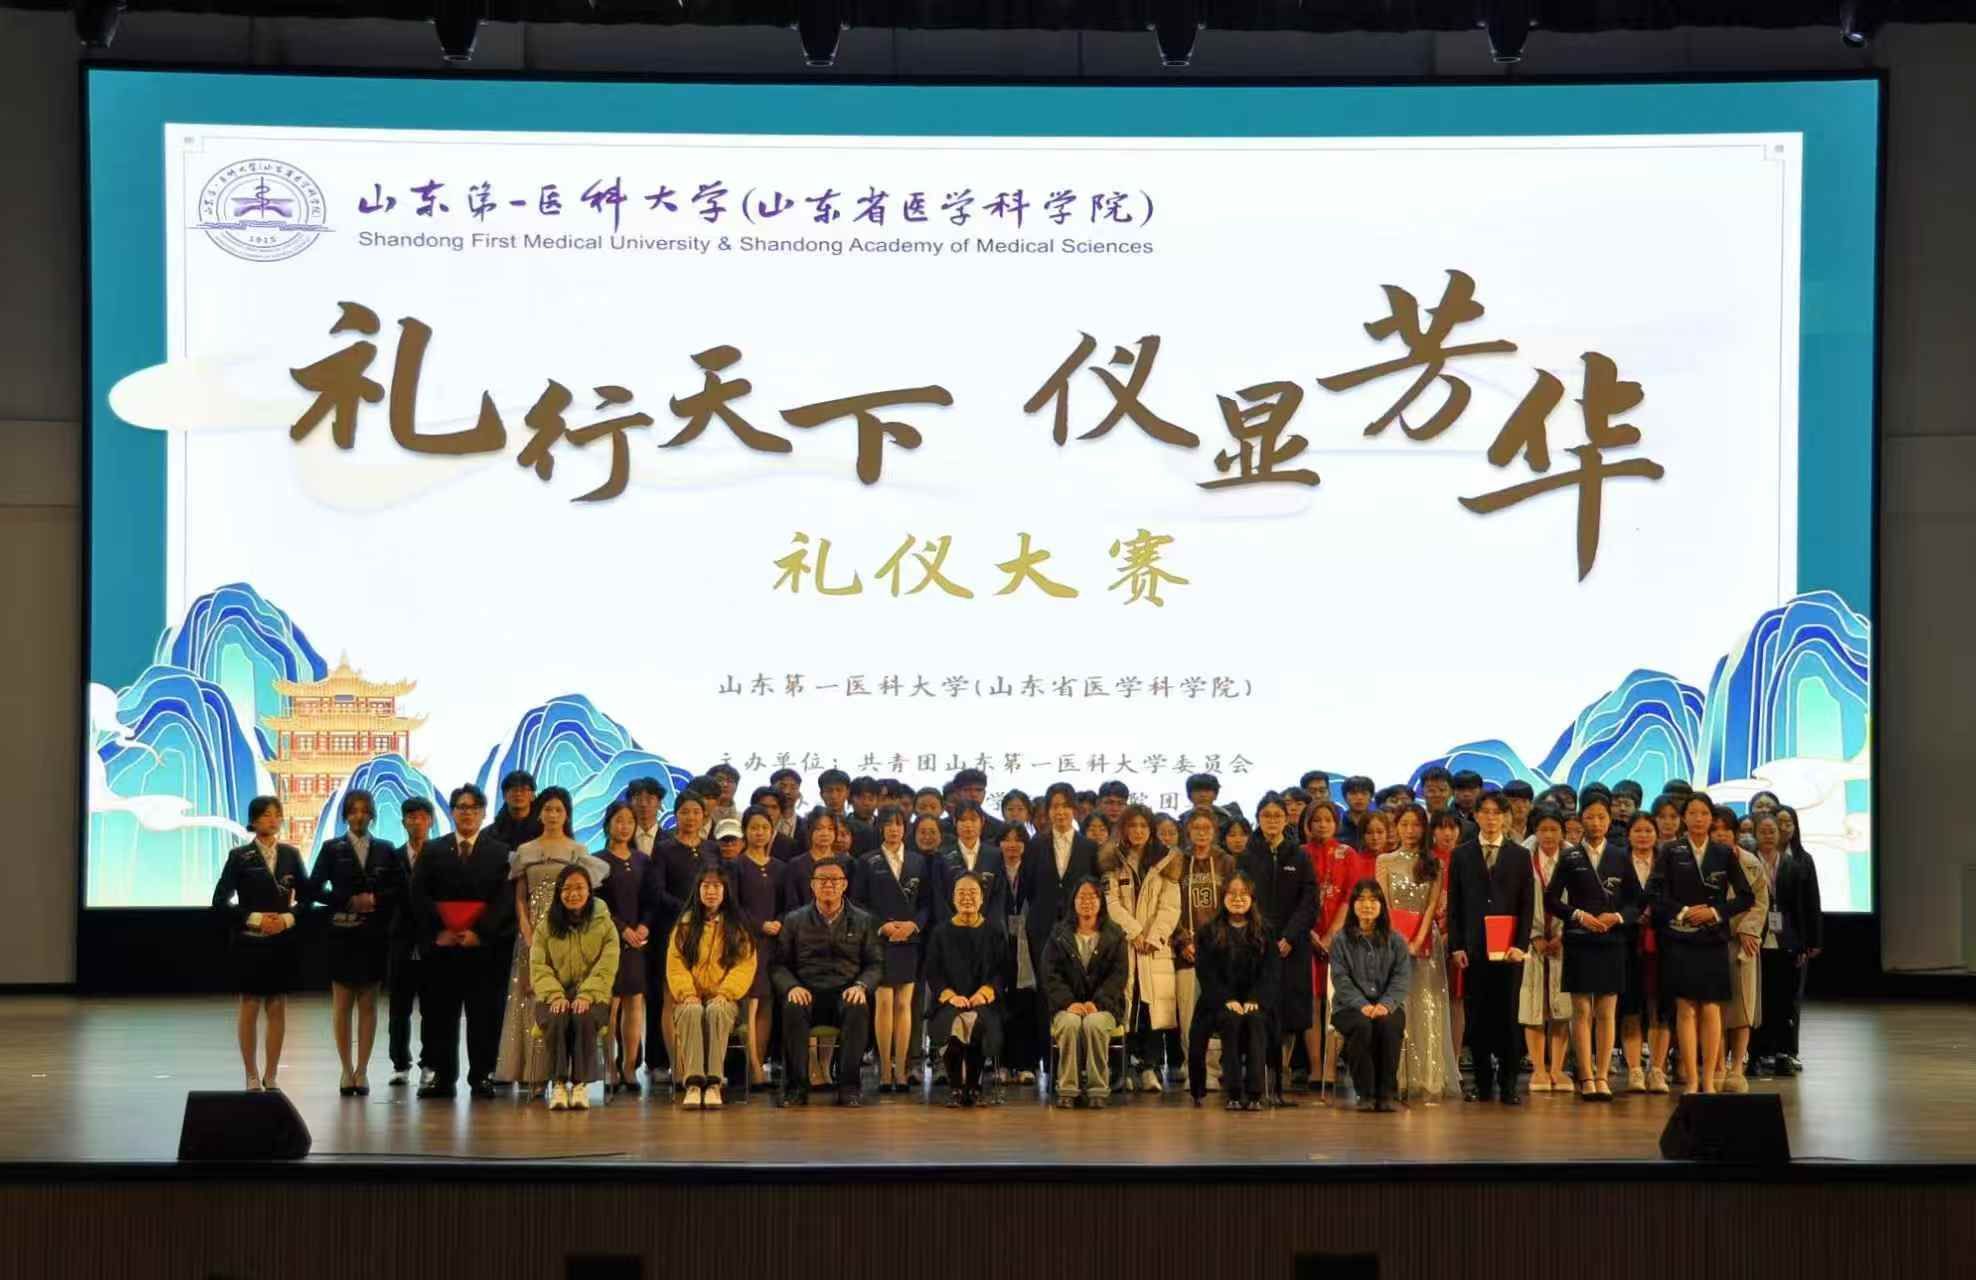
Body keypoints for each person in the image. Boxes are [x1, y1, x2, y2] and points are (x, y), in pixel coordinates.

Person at [495, 786, 608, 1092]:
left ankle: (564, 1075)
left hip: (566, 936)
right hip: (531, 935)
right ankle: (533, 1075)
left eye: (559, 810)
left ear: (567, 814)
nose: (553, 815)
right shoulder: (525, 851)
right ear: (539, 813)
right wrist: (528, 933)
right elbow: (520, 898)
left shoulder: (578, 851)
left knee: (562, 1001)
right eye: (547, 809)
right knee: (529, 1000)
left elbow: (585, 899)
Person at [408, 784, 514, 1098]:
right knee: (441, 1015)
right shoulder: (433, 849)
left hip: (484, 948)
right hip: (443, 948)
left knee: (485, 1015)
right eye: (461, 807)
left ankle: (482, 1075)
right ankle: (442, 1077)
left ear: (483, 813)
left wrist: (480, 932)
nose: (467, 813)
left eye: (474, 808)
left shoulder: (500, 852)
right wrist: (440, 930)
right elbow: (418, 894)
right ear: (452, 812)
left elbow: (505, 899)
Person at [1647, 792, 1755, 1095]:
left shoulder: (1723, 852)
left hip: (1712, 939)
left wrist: (1715, 912)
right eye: (1692, 813)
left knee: (1710, 1008)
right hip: (1680, 939)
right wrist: (1683, 912)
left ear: (1711, 818)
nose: (1698, 819)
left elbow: (1746, 897)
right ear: (1684, 818)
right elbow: (1654, 894)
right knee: (1685, 1009)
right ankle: (1692, 1079)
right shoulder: (1671, 851)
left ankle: (1709, 1079)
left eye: (1704, 813)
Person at [309, 788, 405, 1097]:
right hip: (341, 935)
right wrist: (347, 900)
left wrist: (375, 900)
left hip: (374, 936)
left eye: (364, 810)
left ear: (372, 815)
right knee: (341, 1005)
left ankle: (362, 1070)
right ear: (346, 815)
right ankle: (345, 1069)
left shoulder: (386, 849)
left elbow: (401, 890)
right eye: (353, 811)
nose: (359, 816)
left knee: (368, 1004)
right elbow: (313, 889)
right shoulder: (331, 848)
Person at [212, 795, 307, 1092]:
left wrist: (287, 919)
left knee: (277, 1006)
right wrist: (255, 919)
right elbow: (220, 902)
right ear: (253, 821)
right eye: (266, 815)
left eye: (277, 814)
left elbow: (307, 899)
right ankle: (251, 1074)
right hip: (249, 943)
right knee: (250, 1005)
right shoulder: (239, 856)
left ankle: (272, 1074)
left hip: (281, 942)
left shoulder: (291, 855)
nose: (273, 819)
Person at [772, 857, 883, 1106]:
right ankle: (796, 1088)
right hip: (807, 991)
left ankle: (849, 1088)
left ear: (844, 885)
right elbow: (779, 965)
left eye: (835, 880)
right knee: (792, 1006)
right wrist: (792, 986)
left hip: (845, 991)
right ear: (812, 885)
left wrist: (861, 986)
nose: (829, 885)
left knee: (858, 1006)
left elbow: (875, 964)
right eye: (822, 880)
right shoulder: (794, 920)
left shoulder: (863, 920)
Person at [1546, 796, 1636, 1102]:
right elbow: (1551, 899)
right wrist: (1577, 915)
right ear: (1580, 820)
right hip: (1579, 939)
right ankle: (1585, 1075)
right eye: (1590, 817)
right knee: (1582, 1010)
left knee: (1607, 1011)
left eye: (1601, 817)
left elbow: (1637, 901)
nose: (1596, 823)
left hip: (1612, 940)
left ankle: (1603, 1075)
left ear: (1609, 820)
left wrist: (1617, 917)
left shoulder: (1621, 855)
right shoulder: (1570, 856)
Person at [1446, 792, 1533, 1104]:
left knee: (1509, 1017)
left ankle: (1508, 1085)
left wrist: (1520, 945)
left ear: (1506, 817)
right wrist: (1456, 946)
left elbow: (1527, 905)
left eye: (1497, 812)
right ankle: (1483, 1084)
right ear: (1476, 816)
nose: (1491, 818)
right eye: (1485, 812)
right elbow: (1454, 903)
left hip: (1508, 950)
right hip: (1473, 948)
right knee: (1477, 1017)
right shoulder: (1462, 854)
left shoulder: (1520, 855)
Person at [1377, 805, 1458, 1104]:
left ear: (1425, 829)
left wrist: (1419, 939)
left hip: (1426, 942)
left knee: (1426, 1004)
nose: (1410, 831)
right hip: (1392, 939)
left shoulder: (1434, 863)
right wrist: (1398, 941)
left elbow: (1431, 907)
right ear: (1396, 827)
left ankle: (1427, 1077)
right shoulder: (1384, 861)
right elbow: (1384, 904)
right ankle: (1397, 1077)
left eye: (1416, 825)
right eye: (1404, 824)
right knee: (1398, 1004)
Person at [1241, 793, 1316, 1105]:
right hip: (1256, 947)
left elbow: (1309, 902)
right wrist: (1258, 936)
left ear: (1287, 819)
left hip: (1291, 948)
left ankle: (1280, 1082)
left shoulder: (1299, 855)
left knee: (1289, 1016)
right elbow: (1242, 900)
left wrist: (1289, 937)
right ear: (1258, 818)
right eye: (1266, 815)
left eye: (1277, 815)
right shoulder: (1247, 856)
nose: (1272, 820)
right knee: (1258, 1014)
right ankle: (1258, 1083)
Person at [1099, 804, 1181, 1092]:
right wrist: (1133, 932)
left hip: (1154, 948)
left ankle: (1150, 1067)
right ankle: (1122, 1069)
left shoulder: (1167, 860)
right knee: (1124, 1007)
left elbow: (1170, 906)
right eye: (1132, 826)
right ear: (1123, 829)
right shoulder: (1112, 859)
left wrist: (1153, 937)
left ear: (1151, 830)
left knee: (1152, 1009)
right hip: (1123, 945)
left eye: (1143, 826)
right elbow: (1111, 903)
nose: (1137, 831)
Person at [528, 864, 620, 1110]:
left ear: (590, 890)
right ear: (559, 892)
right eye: (567, 888)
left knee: (583, 1016)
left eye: (579, 887)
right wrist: (555, 995)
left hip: (594, 996)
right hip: (552, 997)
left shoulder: (605, 924)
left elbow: (607, 966)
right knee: (557, 1016)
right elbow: (538, 966)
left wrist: (587, 995)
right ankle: (558, 1084)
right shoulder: (545, 925)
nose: (573, 894)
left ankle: (580, 1085)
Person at [666, 865, 757, 1110]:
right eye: (706, 886)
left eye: (717, 886)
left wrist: (725, 993)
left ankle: (714, 1084)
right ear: (698, 890)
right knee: (692, 1011)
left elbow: (744, 966)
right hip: (690, 998)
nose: (711, 891)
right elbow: (675, 966)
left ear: (725, 891)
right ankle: (694, 1085)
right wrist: (687, 994)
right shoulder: (684, 925)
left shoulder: (738, 927)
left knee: (716, 1010)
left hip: (726, 999)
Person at [853, 806, 931, 1094]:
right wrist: (882, 926)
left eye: (898, 824)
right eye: (888, 824)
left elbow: (927, 903)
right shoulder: (867, 860)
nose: (894, 829)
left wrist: (913, 925)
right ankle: (885, 1070)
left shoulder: (918, 861)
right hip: (880, 938)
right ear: (881, 828)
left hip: (909, 940)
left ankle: (902, 1070)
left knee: (904, 1004)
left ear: (905, 828)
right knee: (884, 1003)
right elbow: (858, 901)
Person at [1189, 871, 1277, 1110]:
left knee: (1256, 1019)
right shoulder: (1208, 931)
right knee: (1230, 1019)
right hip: (1217, 999)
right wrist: (1226, 999)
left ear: (1252, 899)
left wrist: (1255, 998)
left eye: (1243, 894)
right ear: (1223, 897)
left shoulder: (1265, 931)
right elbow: (1205, 973)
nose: (1238, 899)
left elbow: (1270, 972)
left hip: (1255, 1000)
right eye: (1232, 893)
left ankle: (1255, 1093)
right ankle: (1234, 1093)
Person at [1040, 877, 1129, 1109]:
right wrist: (1068, 1002)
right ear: (1073, 901)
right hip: (1066, 1007)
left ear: (1101, 902)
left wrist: (1097, 1003)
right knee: (1070, 1023)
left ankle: (1098, 1089)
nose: (1087, 902)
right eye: (1082, 897)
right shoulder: (1059, 934)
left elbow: (1118, 977)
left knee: (1094, 1024)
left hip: (1105, 1007)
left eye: (1093, 896)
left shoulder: (1115, 935)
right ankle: (1068, 1089)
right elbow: (1050, 975)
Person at [648, 789, 713, 1086]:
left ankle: (701, 1063)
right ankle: (676, 1063)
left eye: (696, 812)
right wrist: (689, 910)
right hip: (672, 929)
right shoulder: (664, 848)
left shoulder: (711, 849)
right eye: (685, 812)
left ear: (704, 816)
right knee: (672, 996)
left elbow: (719, 886)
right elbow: (656, 891)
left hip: (708, 930)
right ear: (675, 815)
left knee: (703, 994)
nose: (691, 817)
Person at [1306, 799, 1371, 1098]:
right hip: (1306, 938)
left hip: (1342, 938)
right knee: (1312, 1002)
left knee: (1336, 1001)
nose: (1322, 824)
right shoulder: (1301, 853)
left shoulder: (1348, 854)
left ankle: (1331, 1066)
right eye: (1316, 819)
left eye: (1328, 819)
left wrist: (1332, 934)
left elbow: (1351, 896)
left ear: (1336, 823)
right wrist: (1309, 933)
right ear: (1308, 824)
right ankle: (1315, 1067)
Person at [1330, 878, 1412, 1113]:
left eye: (1373, 900)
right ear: (1353, 905)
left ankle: (1385, 1094)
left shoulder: (1396, 941)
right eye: (1361, 899)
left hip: (1387, 1006)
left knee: (1388, 1025)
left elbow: (1401, 978)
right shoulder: (1340, 940)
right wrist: (1361, 1004)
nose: (1367, 905)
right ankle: (1365, 1093)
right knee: (1362, 1026)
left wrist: (1385, 1004)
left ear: (1382, 906)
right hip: (1349, 1007)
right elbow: (1340, 979)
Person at [925, 872, 1006, 1106]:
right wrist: (950, 996)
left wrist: (985, 992)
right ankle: (956, 1088)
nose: (967, 898)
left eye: (973, 893)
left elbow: (1003, 971)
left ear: (982, 899)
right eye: (961, 893)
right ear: (953, 898)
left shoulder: (994, 932)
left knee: (977, 1022)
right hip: (949, 1002)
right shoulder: (940, 932)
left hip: (985, 1002)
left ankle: (973, 1086)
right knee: (955, 1023)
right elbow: (933, 972)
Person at [1173, 810, 1237, 1093]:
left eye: (1206, 828)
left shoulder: (1226, 861)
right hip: (1185, 950)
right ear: (1187, 831)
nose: (1201, 833)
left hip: (1218, 949)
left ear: (1214, 831)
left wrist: (1218, 943)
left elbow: (1234, 902)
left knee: (1215, 1011)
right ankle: (1193, 1067)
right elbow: (1169, 905)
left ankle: (1212, 1068)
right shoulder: (1177, 861)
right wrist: (1182, 941)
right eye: (1196, 828)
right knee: (1188, 1014)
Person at [595, 800, 654, 1093]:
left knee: (634, 1004)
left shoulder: (643, 860)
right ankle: (609, 1067)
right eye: (619, 820)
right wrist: (622, 929)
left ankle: (629, 1067)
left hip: (638, 943)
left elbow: (651, 899)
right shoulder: (597, 860)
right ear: (608, 824)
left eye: (630, 821)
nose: (624, 826)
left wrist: (644, 925)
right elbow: (597, 904)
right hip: (608, 941)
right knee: (610, 1006)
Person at [1024, 784, 1099, 1013]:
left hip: (1078, 926)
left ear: (1074, 809)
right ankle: (1044, 1036)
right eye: (1055, 806)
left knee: (1076, 986)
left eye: (1066, 806)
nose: (1060, 812)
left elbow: (1094, 888)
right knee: (1044, 988)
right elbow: (1029, 886)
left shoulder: (1088, 847)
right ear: (1047, 811)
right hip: (1042, 927)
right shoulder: (1035, 844)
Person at [727, 805, 786, 1091]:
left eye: (764, 827)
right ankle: (752, 1068)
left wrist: (779, 923)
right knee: (749, 1005)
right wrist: (759, 925)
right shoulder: (736, 865)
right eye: (753, 828)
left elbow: (788, 904)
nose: (759, 833)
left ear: (772, 831)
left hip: (775, 943)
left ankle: (760, 1062)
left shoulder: (780, 867)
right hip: (747, 942)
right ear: (745, 831)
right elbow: (733, 906)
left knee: (767, 1004)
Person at [1714, 805, 1769, 1094]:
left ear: (1735, 833)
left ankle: (1737, 1067)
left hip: (1742, 942)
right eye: (1715, 830)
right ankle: (1717, 1067)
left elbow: (1761, 901)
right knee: (1715, 1009)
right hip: (1710, 940)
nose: (1720, 835)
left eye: (1726, 830)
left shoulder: (1750, 862)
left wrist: (1749, 928)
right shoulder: (1703, 862)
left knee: (1742, 1007)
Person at [1519, 808, 1573, 1093]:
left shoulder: (1574, 859)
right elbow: (1516, 900)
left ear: (1562, 832)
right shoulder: (1522, 858)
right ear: (1535, 832)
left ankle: (1557, 1069)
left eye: (1554, 829)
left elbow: (1583, 899)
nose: (1549, 835)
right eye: (1543, 830)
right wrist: (1534, 935)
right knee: (1534, 1006)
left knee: (1562, 1007)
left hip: (1566, 941)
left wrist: (1564, 935)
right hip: (1533, 942)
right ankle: (1538, 1068)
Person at [385, 796, 437, 1089]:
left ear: (430, 821)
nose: (417, 822)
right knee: (399, 1009)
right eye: (411, 817)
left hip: (432, 942)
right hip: (401, 941)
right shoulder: (392, 857)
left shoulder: (440, 854)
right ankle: (400, 1065)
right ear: (403, 822)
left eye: (422, 817)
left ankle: (429, 1064)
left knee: (432, 1009)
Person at [1617, 810, 1666, 1093]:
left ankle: (1657, 1070)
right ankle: (1635, 1070)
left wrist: (1655, 913)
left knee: (1659, 1007)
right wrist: (1634, 915)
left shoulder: (1667, 861)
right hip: (1627, 942)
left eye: (1648, 830)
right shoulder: (1618, 861)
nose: (1643, 836)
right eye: (1638, 831)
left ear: (1656, 834)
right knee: (1631, 1007)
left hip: (1662, 942)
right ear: (1629, 835)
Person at [1773, 805, 1823, 1074]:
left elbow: (1812, 902)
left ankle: (1790, 1051)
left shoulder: (1804, 860)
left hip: (1795, 939)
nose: (1783, 828)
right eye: (1778, 822)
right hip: (1766, 939)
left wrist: (1813, 940)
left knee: (1792, 999)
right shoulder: (1761, 858)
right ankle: (1767, 1052)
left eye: (1788, 823)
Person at [995, 821, 1042, 1084]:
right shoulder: (992, 870)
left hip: (1028, 941)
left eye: (1018, 839)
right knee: (1001, 1003)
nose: (1012, 845)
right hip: (999, 940)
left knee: (1026, 1002)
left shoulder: (1033, 870)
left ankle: (1026, 1064)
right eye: (1007, 839)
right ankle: (1002, 1063)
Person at [1427, 809, 1467, 1093]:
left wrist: (1453, 934)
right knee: (1428, 998)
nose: (1447, 833)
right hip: (1425, 938)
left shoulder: (1465, 859)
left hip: (1457, 939)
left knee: (1456, 1000)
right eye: (1441, 828)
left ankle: (1453, 1062)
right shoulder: (1424, 860)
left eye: (1452, 827)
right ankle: (1430, 1062)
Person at [489, 769, 542, 848]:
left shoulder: (545, 831)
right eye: (514, 790)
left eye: (523, 789)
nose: (518, 794)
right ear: (504, 795)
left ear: (533, 795)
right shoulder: (490, 833)